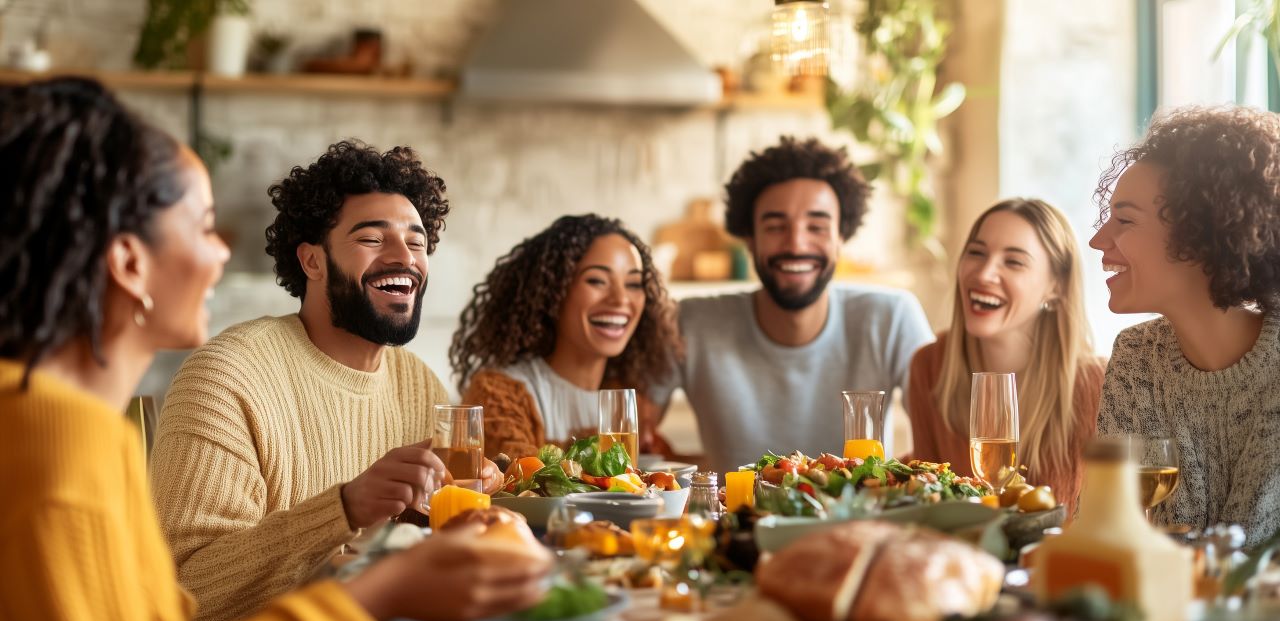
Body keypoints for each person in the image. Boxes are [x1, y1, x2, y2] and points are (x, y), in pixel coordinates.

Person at [0, 77, 548, 621]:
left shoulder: (75, 426)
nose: (222, 253)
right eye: (204, 227)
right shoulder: (64, 436)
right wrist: (370, 580)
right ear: (128, 264)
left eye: (418, 239)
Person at [149, 140, 504, 621]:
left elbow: (419, 556)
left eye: (417, 243)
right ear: (313, 262)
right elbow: (183, 593)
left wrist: (466, 505)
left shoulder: (420, 385)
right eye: (372, 239)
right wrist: (343, 508)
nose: (404, 257)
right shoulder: (226, 378)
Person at [657, 137, 934, 473]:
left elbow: (941, 439)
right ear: (749, 236)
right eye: (775, 227)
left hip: (861, 522)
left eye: (816, 226)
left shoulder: (892, 317)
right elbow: (629, 432)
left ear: (841, 236)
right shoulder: (693, 322)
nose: (796, 243)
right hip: (737, 524)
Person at [1091, 105, 1280, 545]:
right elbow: (1103, 534)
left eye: (1125, 220)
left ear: (1203, 236)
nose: (1099, 240)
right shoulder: (1137, 357)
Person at [907, 199, 1105, 510]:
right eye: (976, 253)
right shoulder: (930, 366)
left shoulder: (1099, 384)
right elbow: (928, 507)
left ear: (1056, 287)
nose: (984, 273)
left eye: (1013, 262)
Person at [450, 214, 681, 461]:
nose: (621, 300)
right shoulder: (497, 394)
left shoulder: (626, 394)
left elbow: (660, 482)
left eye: (634, 284)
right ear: (552, 292)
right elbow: (524, 484)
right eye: (597, 281)